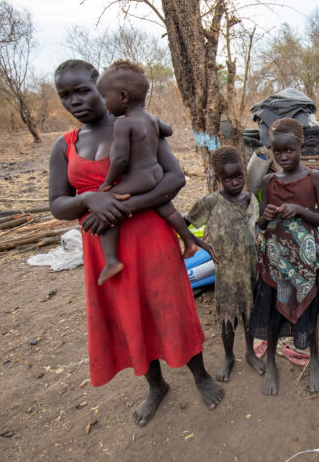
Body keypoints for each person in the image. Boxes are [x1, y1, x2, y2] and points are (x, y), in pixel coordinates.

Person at [49, 59, 224, 426]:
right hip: (105, 251)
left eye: (82, 90)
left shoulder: (138, 125)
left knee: (171, 308)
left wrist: (117, 208)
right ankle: (155, 385)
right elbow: (58, 205)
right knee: (130, 316)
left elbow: (174, 178)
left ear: (101, 86)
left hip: (150, 240)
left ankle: (201, 376)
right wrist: (87, 201)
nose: (75, 101)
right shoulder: (64, 146)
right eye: (65, 96)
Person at [93, 60, 206, 285]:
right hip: (156, 176)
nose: (104, 103)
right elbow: (169, 130)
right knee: (167, 207)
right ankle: (189, 241)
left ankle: (112, 260)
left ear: (123, 97)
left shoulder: (123, 124)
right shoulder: (151, 119)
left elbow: (122, 159)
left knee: (107, 207)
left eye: (105, 97)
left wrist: (108, 183)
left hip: (137, 179)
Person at [250, 118, 319, 395]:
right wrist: (266, 216)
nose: (283, 157)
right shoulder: (268, 181)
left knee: (309, 312)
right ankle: (271, 361)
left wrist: (300, 210)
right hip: (276, 261)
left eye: (289, 150)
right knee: (273, 310)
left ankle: (315, 359)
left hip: (304, 262)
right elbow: (260, 224)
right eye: (277, 151)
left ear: (301, 145)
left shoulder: (314, 178)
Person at [185, 145, 265, 382]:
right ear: (218, 178)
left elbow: (255, 227)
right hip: (227, 274)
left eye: (238, 176)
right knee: (228, 319)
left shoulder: (251, 200)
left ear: (244, 172)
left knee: (250, 316)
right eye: (227, 178)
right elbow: (185, 224)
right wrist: (204, 246)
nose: (234, 182)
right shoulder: (211, 202)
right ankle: (229, 357)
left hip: (250, 270)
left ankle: (250, 353)